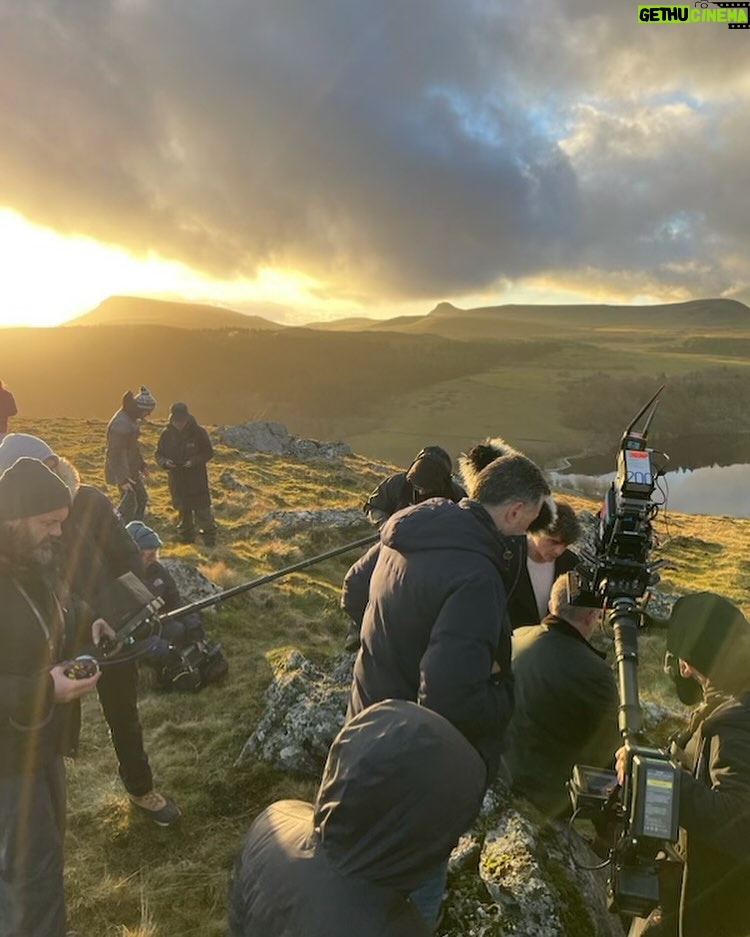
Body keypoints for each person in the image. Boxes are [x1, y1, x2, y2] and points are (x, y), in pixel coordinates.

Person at [0, 433, 179, 827]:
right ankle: (43, 803)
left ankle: (140, 787)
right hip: (55, 640)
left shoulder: (91, 501)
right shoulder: (15, 535)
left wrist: (122, 613)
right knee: (52, 717)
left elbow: (127, 556)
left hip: (107, 630)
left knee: (123, 712)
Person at [228, 699, 487, 937]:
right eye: (449, 831)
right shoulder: (401, 929)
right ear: (414, 831)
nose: (452, 845)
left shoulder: (277, 818)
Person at [0, 457, 108, 937]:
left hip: (40, 745)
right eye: (49, 523)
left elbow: (57, 607)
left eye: (61, 523)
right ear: (12, 518)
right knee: (33, 879)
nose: (58, 534)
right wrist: (47, 688)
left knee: (41, 860)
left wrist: (91, 621)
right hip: (6, 764)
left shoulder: (30, 560)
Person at [619, 592, 750, 937]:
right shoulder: (732, 702)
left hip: (711, 908)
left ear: (685, 664)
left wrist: (656, 778)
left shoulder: (736, 721)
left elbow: (738, 818)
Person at [503, 575, 618, 818]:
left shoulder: (517, 636)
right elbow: (609, 752)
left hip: (500, 772)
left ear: (552, 604)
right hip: (546, 796)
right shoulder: (595, 673)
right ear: (591, 616)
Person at [126, 520, 227, 690]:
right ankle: (169, 677)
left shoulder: (159, 571)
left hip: (156, 626)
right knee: (161, 647)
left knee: (179, 629)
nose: (153, 559)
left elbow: (176, 602)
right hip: (131, 640)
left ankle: (192, 665)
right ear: (135, 553)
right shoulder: (122, 577)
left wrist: (196, 632)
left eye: (155, 554)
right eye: (148, 555)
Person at [506, 500, 581, 629]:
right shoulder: (506, 557)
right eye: (553, 542)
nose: (559, 551)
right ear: (535, 529)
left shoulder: (571, 563)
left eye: (566, 545)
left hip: (551, 644)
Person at [155, 402, 217, 546]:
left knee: (203, 512)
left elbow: (208, 453)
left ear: (188, 418)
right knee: (184, 514)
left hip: (197, 481)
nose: (180, 423)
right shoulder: (166, 434)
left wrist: (193, 462)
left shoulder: (199, 433)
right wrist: (165, 462)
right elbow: (158, 454)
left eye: (182, 420)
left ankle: (210, 542)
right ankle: (187, 542)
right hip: (177, 481)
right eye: (177, 420)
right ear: (172, 419)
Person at [362, 445, 466, 526]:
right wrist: (385, 525)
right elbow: (373, 507)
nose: (421, 492)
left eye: (427, 488)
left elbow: (468, 523)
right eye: (417, 486)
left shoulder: (457, 497)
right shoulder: (397, 484)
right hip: (397, 541)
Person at [105, 386, 156, 524]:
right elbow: (115, 453)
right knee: (130, 504)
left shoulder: (130, 419)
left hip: (130, 468)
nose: (148, 414)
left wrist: (141, 465)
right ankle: (122, 532)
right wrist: (123, 479)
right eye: (147, 411)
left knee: (141, 499)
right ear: (140, 408)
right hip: (123, 470)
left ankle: (135, 530)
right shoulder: (121, 423)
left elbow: (132, 448)